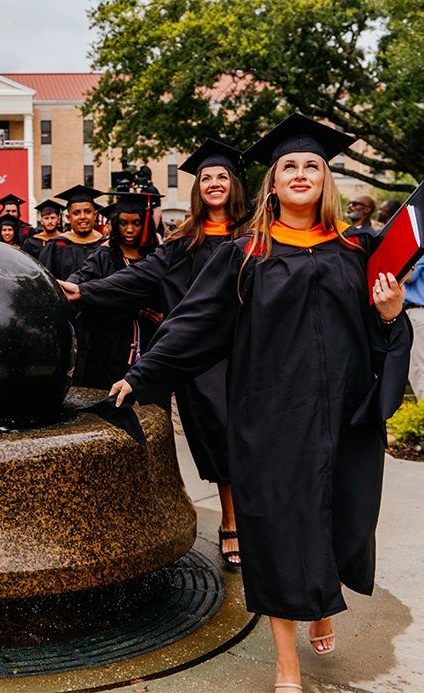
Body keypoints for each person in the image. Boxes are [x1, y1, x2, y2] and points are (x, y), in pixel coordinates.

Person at [105, 114, 411, 692]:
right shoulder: (245, 254)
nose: (300, 174)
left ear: (327, 182)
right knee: (276, 534)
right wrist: (144, 374)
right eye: (289, 166)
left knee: (341, 523)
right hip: (272, 421)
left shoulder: (357, 250)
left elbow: (383, 332)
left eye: (312, 167)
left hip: (343, 419)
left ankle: (323, 600)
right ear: (272, 183)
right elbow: (195, 324)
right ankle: (286, 664)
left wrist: (392, 316)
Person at [59, 139, 250, 566]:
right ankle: (231, 521)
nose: (214, 183)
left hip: (257, 350)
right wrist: (84, 290)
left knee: (261, 439)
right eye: (206, 178)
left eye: (222, 176)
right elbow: (141, 276)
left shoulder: (258, 235)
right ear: (198, 190)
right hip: (205, 357)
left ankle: (265, 520)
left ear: (235, 186)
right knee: (219, 435)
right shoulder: (186, 240)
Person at [65, 193, 162, 389]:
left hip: (150, 340)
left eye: (136, 223)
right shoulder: (104, 255)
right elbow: (82, 278)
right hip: (111, 343)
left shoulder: (157, 257)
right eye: (123, 223)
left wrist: (164, 317)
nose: (129, 229)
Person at [39, 185, 106, 280]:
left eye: (87, 211)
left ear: (95, 215)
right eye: (76, 213)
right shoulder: (56, 246)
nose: (82, 216)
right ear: (68, 218)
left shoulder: (106, 245)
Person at [403, 256, 424, 399]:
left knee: (418, 367)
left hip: (417, 313)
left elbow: (409, 276)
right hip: (411, 313)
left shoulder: (418, 251)